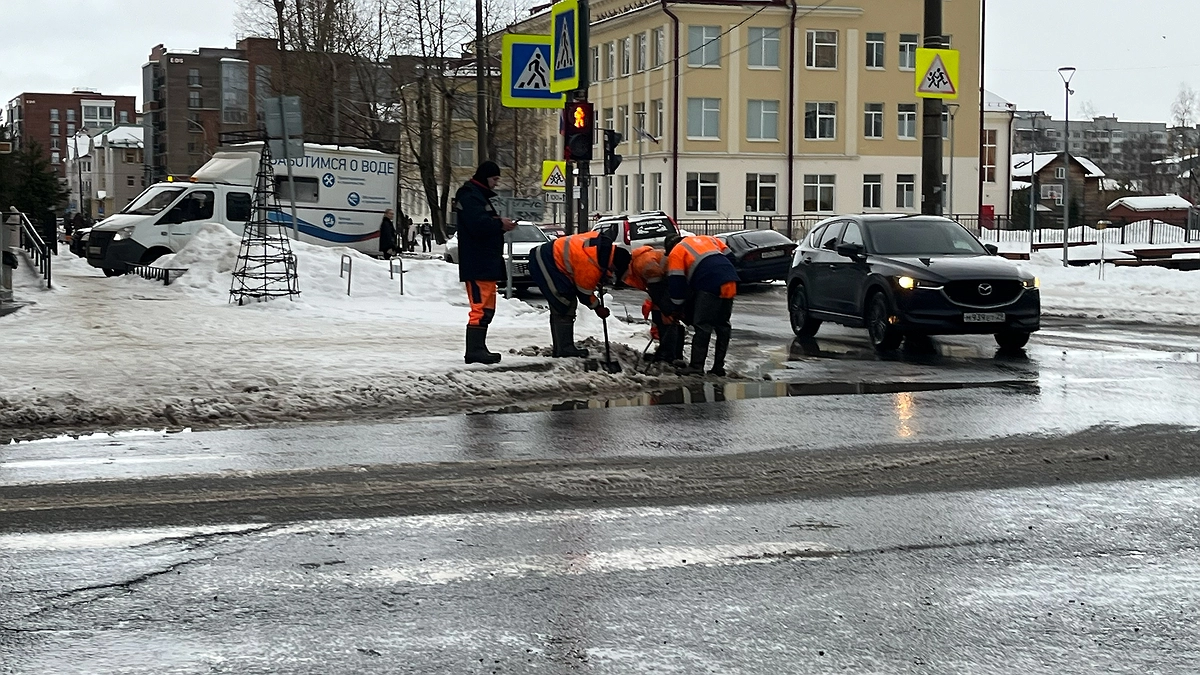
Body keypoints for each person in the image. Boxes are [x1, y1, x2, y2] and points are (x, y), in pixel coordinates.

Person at [529, 230, 631, 358]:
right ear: (614, 264)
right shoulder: (590, 265)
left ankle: (560, 348)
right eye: (614, 270)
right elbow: (584, 295)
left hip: (549, 256)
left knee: (563, 302)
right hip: (545, 261)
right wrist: (598, 308)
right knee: (564, 302)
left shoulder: (601, 246)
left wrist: (602, 275)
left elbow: (588, 265)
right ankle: (564, 349)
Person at [454, 161, 516, 364]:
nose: (496, 183)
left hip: (485, 262)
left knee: (486, 309)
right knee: (480, 308)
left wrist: (499, 224)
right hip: (478, 262)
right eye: (495, 179)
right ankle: (474, 351)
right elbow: (478, 225)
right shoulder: (470, 196)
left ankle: (479, 348)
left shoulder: (477, 196)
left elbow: (482, 224)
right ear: (485, 177)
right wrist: (500, 224)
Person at [664, 234, 739, 376]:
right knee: (723, 325)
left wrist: (677, 308)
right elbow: (731, 258)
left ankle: (696, 367)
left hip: (709, 282)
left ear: (670, 247)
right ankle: (718, 367)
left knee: (703, 326)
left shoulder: (677, 251)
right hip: (729, 279)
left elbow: (677, 283)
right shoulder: (708, 239)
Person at [623, 245, 682, 362]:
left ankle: (669, 354)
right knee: (662, 315)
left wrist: (667, 310)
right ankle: (671, 352)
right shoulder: (643, 259)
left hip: (673, 281)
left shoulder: (642, 264)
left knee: (667, 318)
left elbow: (657, 289)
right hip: (671, 280)